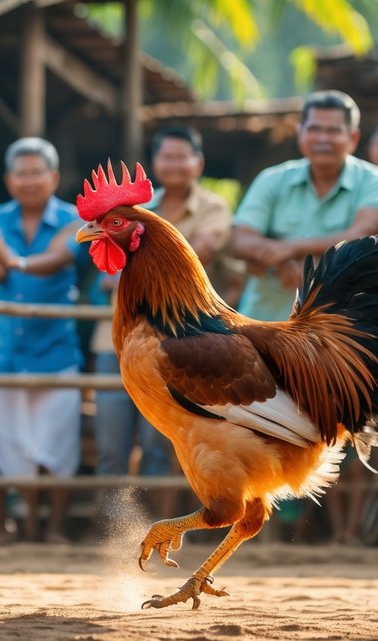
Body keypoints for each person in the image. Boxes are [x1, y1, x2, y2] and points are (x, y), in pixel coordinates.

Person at [231, 90, 378, 544]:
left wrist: (289, 250)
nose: (323, 138)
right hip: (264, 331)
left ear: (353, 136)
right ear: (300, 133)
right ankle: (271, 533)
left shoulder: (372, 180)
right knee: (262, 431)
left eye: (333, 130)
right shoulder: (273, 179)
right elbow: (240, 239)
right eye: (315, 128)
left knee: (348, 427)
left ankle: (347, 533)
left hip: (339, 336)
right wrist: (288, 255)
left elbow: (359, 235)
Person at [93, 125, 233, 521]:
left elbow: (199, 250)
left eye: (181, 156)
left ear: (198, 163)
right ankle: (114, 528)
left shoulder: (209, 210)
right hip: (117, 343)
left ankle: (156, 520)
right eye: (165, 157)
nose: (173, 164)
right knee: (110, 442)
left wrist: (147, 251)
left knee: (162, 444)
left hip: (180, 344)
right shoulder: (134, 215)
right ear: (155, 163)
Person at [0, 137, 89, 544]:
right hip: (4, 351)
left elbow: (58, 258)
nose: (29, 180)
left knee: (58, 443)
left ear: (53, 177)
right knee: (3, 442)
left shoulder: (75, 220)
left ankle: (51, 528)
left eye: (37, 172)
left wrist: (10, 257)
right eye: (21, 173)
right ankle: (3, 528)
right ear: (8, 179)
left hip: (55, 350)